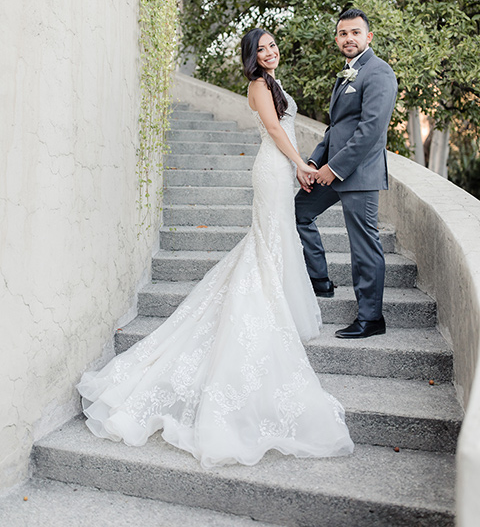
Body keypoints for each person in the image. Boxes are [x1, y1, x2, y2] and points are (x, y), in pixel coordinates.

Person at [77, 28, 354, 468]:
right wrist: (302, 164)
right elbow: (274, 131)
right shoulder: (258, 85)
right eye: (261, 49)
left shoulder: (275, 82)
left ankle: (272, 296)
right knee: (266, 244)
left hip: (282, 172)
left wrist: (298, 167)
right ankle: (263, 302)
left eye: (272, 45)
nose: (270, 52)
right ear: (251, 56)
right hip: (271, 171)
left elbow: (287, 130)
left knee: (274, 244)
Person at [295, 9, 398, 339]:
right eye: (343, 33)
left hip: (360, 174)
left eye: (355, 32)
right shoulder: (346, 74)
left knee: (363, 245)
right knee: (298, 211)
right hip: (330, 170)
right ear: (336, 39)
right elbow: (336, 128)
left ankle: (371, 318)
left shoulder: (379, 73)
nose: (348, 38)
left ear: (368, 37)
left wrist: (334, 168)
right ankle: (320, 280)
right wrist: (313, 163)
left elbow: (370, 132)